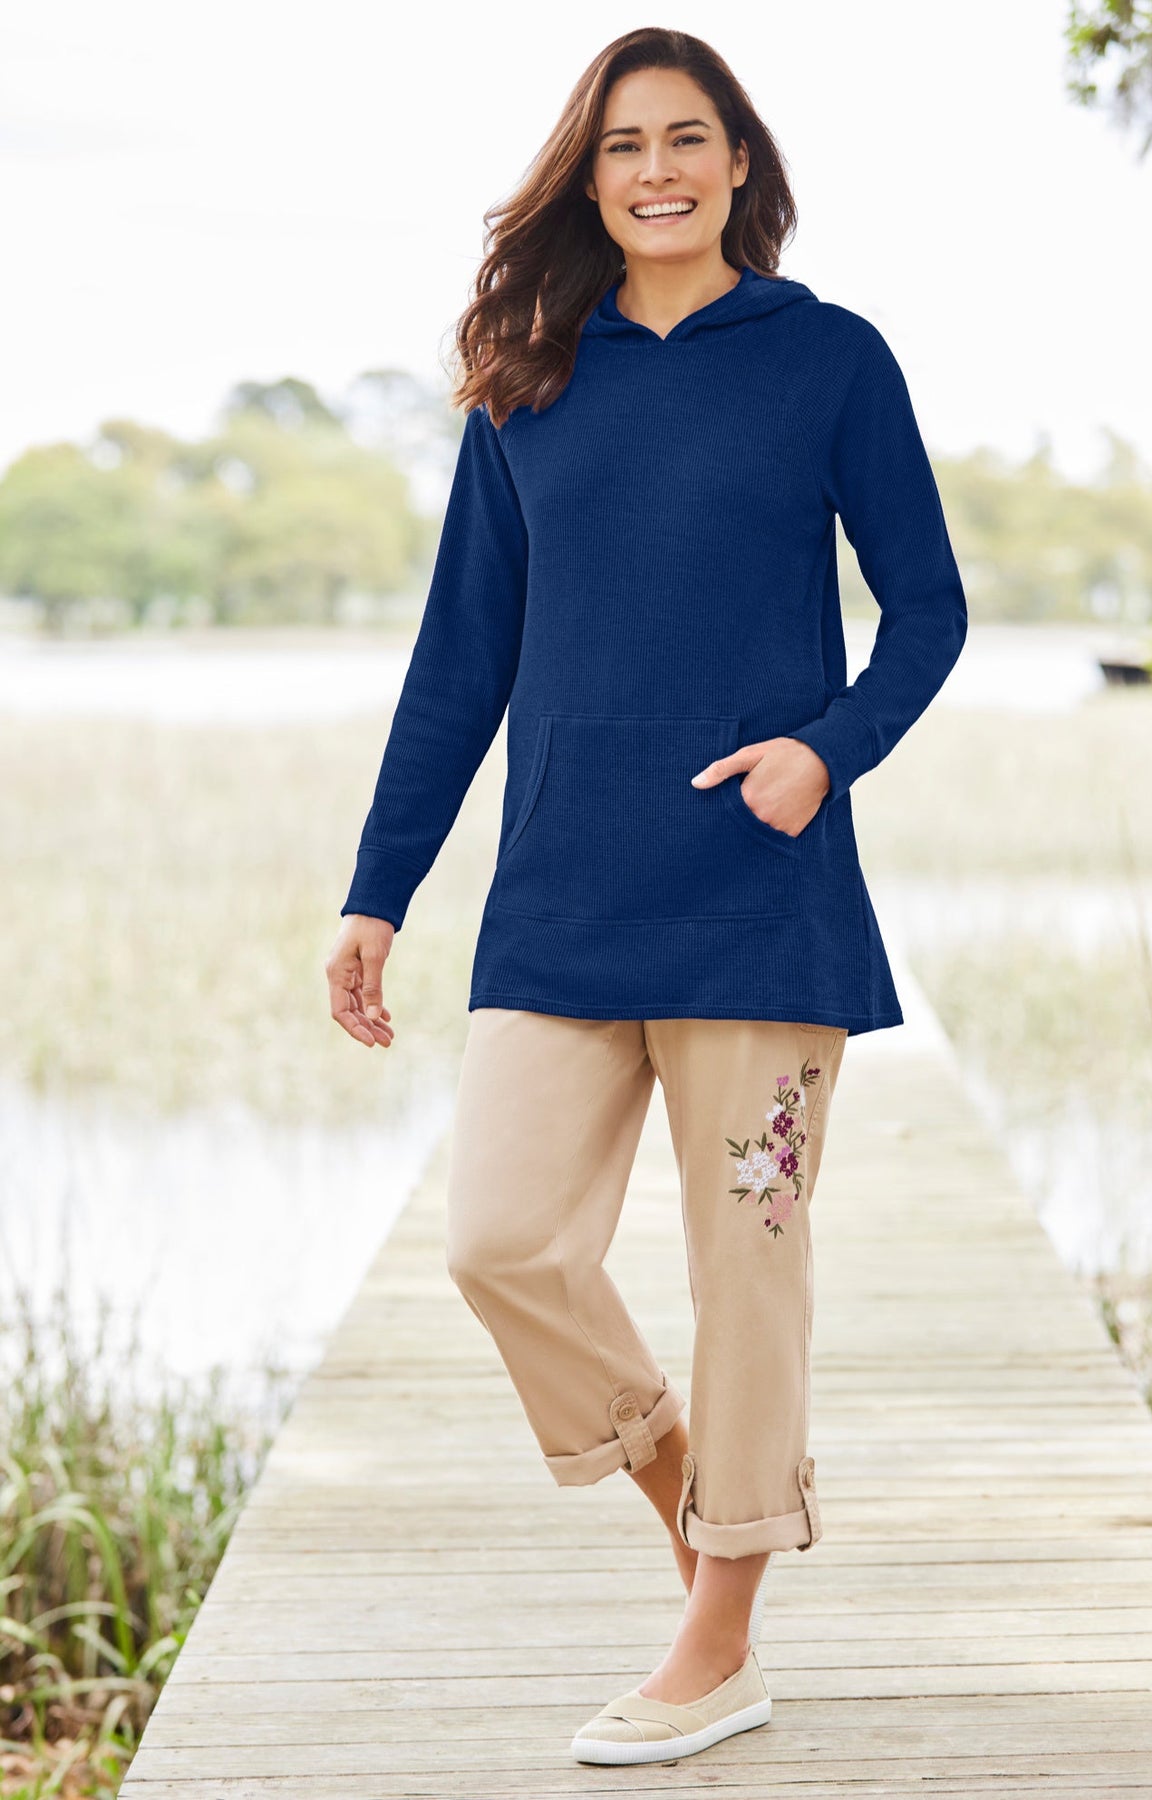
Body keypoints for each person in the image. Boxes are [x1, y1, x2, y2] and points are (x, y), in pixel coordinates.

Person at [325, 25, 967, 1769]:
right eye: (624, 146)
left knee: (746, 1268)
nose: (657, 171)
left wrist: (824, 751)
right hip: (560, 897)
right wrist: (379, 891)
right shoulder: (529, 376)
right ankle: (695, 1488)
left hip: (761, 897)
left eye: (687, 139)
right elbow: (460, 665)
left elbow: (927, 613)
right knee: (500, 1242)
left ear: (738, 162)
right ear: (590, 176)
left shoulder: (830, 359)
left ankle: (721, 1637)